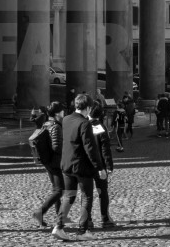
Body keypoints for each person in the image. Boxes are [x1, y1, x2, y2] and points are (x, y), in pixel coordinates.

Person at [55, 93, 103, 237]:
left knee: (69, 196)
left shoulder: (66, 119)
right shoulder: (84, 123)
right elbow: (90, 147)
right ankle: (82, 231)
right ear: (88, 108)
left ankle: (58, 227)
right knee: (87, 197)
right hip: (81, 166)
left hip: (67, 164)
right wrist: (99, 167)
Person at [32, 101, 65, 236]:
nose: (64, 113)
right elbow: (56, 146)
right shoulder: (56, 126)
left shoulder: (46, 123)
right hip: (55, 162)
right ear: (57, 113)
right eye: (62, 111)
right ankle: (40, 212)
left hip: (48, 162)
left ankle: (59, 219)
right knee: (60, 190)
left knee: (56, 189)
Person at [88, 101, 115, 228]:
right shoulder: (100, 127)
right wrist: (109, 165)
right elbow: (105, 149)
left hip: (86, 164)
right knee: (102, 191)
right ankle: (105, 218)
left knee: (86, 193)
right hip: (100, 165)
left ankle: (87, 219)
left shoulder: (84, 125)